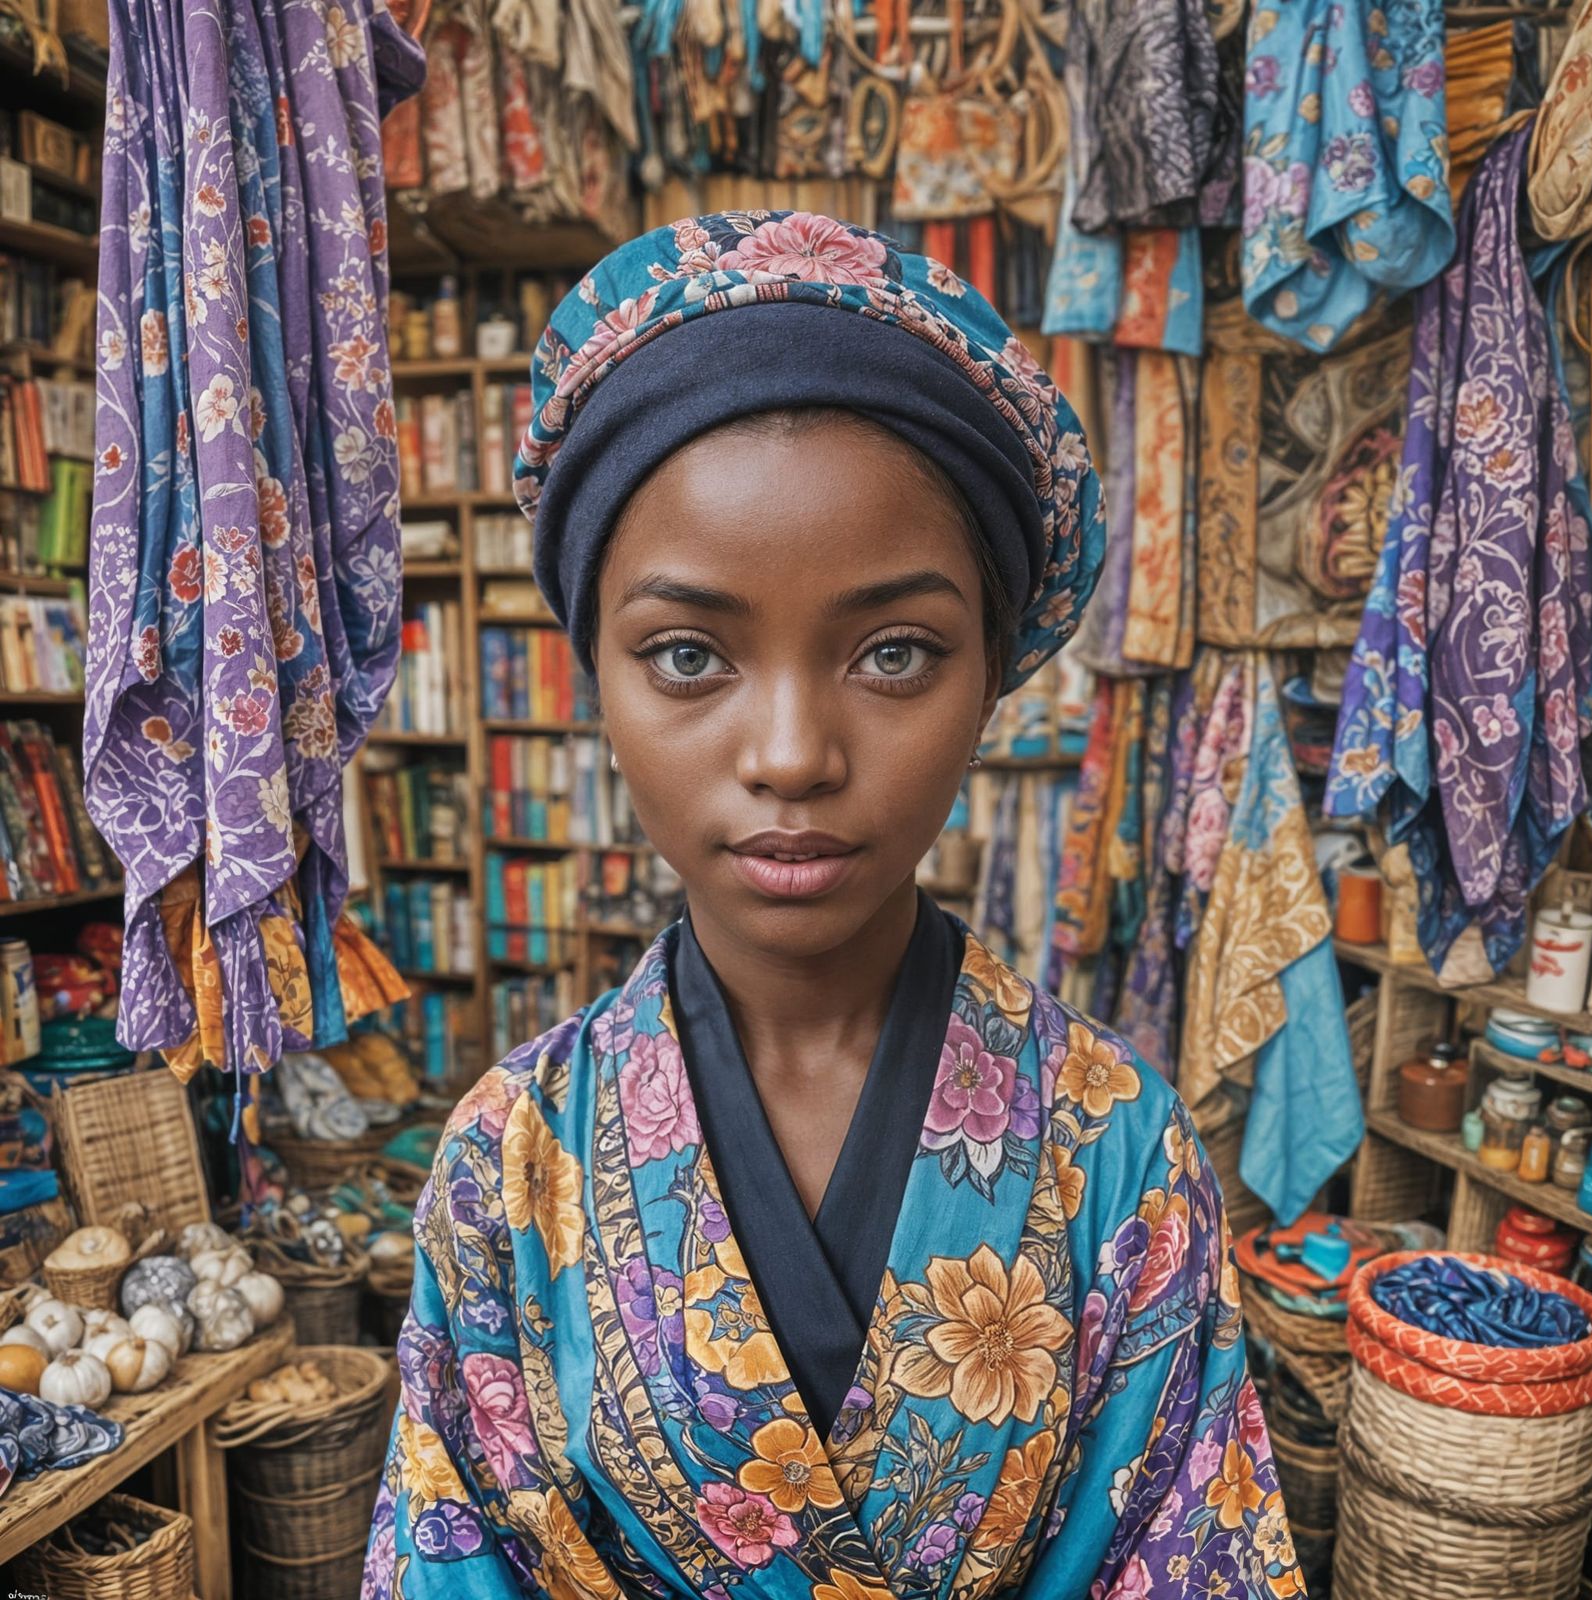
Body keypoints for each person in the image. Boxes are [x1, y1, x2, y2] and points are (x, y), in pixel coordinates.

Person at [362, 211, 1304, 1600]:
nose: (793, 751)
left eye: (894, 652)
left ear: (992, 680)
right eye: (689, 653)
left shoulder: (1120, 1156)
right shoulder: (507, 1167)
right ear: (596, 686)